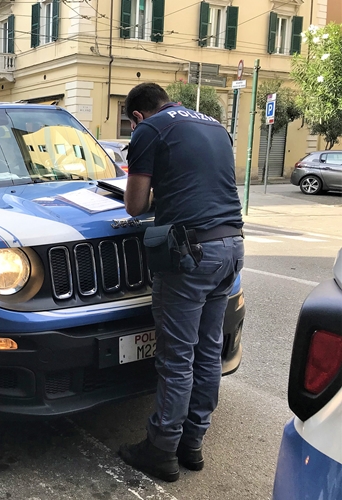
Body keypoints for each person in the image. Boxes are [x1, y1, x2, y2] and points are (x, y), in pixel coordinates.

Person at [118, 83, 244, 482]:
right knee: (208, 352)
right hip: (232, 247)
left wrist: (158, 195)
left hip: (191, 254)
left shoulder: (149, 130)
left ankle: (161, 449)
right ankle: (192, 444)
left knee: (177, 358)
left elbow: (135, 205)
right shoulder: (214, 125)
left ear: (137, 115)